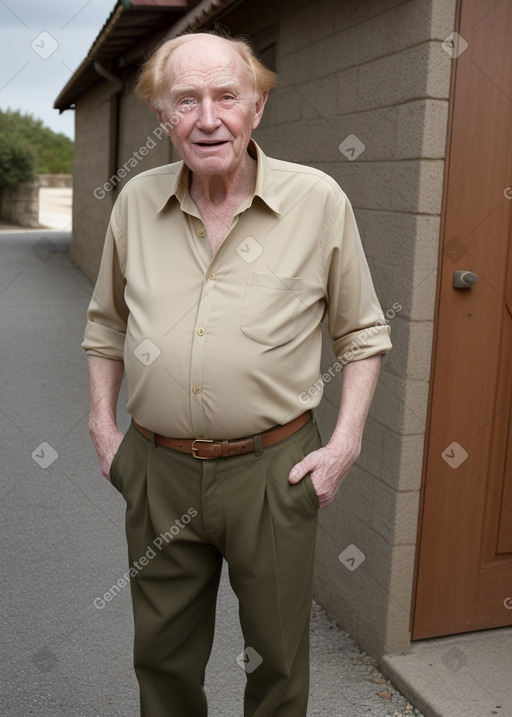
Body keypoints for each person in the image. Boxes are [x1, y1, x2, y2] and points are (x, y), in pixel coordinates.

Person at [83, 30, 391, 717]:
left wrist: (343, 444)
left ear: (257, 108)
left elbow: (364, 333)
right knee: (161, 657)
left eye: (227, 96)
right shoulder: (135, 202)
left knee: (278, 660)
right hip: (157, 470)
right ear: (163, 118)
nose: (208, 117)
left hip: (273, 471)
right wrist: (104, 428)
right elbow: (105, 324)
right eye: (185, 101)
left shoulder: (318, 200)